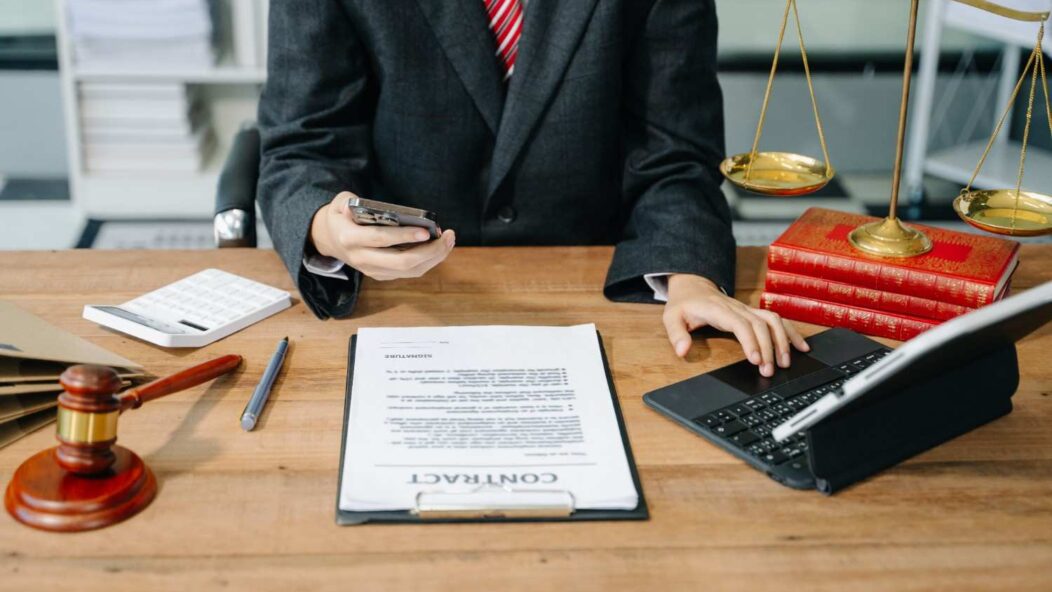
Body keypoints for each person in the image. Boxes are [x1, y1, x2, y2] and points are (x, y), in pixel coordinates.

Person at [257, 0, 810, 377]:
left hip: (599, 293)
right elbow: (303, 147)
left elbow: (675, 153)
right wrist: (324, 229)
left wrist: (689, 276)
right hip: (398, 298)